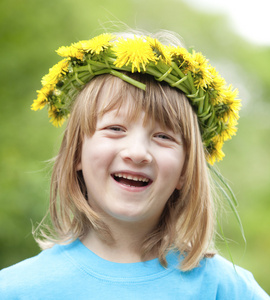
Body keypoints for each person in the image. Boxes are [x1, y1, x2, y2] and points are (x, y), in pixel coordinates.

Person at [0, 30, 268, 299]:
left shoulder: (227, 290)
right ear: (77, 153)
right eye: (115, 128)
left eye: (163, 136)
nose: (138, 153)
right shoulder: (17, 290)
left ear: (185, 171)